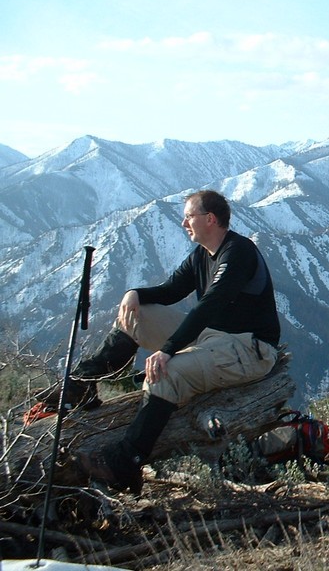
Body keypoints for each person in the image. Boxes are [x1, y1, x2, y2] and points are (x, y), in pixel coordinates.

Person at [67, 190, 280, 493]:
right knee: (136, 315)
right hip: (211, 337)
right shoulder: (202, 255)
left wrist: (168, 351)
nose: (183, 223)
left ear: (210, 219)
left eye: (189, 216)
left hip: (248, 348)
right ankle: (83, 384)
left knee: (166, 373)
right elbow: (170, 291)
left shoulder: (239, 252)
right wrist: (134, 294)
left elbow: (209, 305)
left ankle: (126, 463)